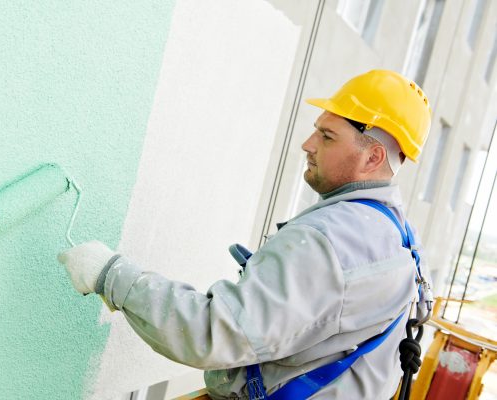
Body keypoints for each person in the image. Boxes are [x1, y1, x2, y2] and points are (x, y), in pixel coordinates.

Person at [59, 69, 433, 399]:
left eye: (327, 136)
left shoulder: (331, 241)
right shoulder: (398, 237)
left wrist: (109, 274)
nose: (308, 144)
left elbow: (214, 332)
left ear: (373, 158)